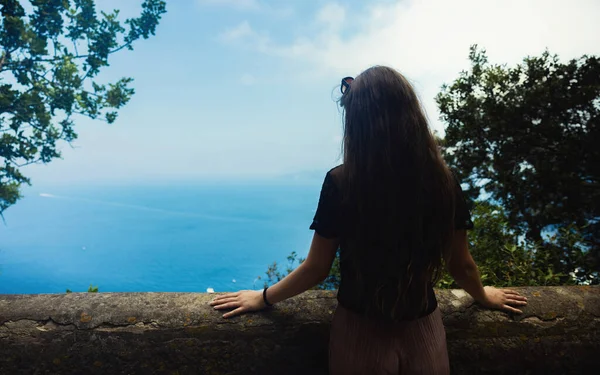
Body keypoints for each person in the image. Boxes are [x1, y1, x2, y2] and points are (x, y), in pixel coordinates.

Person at [210, 66, 528, 374]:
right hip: (424, 333)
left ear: (357, 123)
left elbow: (317, 268)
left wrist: (262, 297)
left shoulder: (342, 180)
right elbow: (461, 265)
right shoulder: (443, 180)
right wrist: (484, 296)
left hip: (359, 333)